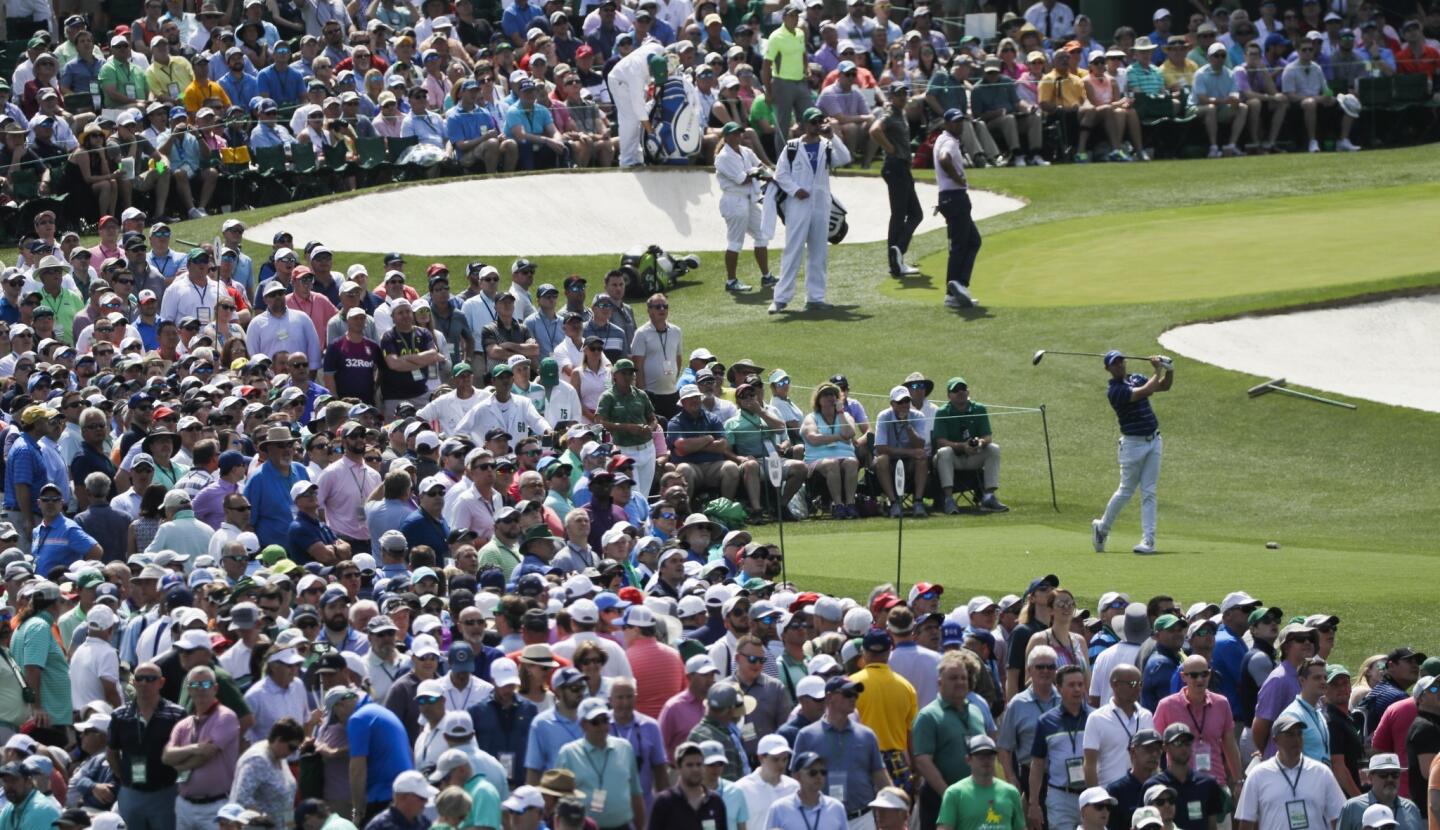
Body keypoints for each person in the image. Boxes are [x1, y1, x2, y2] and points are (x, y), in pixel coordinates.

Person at [769, 107, 851, 315]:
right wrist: (796, 190)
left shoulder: (827, 145)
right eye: (813, 122)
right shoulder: (792, 147)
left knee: (819, 251)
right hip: (798, 204)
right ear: (805, 125)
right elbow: (781, 174)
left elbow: (845, 158)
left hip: (820, 204)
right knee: (793, 249)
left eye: (819, 121)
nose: (817, 125)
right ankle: (780, 298)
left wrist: (833, 135)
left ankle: (815, 297)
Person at [1091, 352, 1173, 556]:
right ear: (1108, 369)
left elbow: (1163, 386)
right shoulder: (1115, 391)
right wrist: (1157, 369)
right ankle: (1102, 528)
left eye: (1121, 362)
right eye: (1114, 364)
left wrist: (1169, 369)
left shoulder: (1136, 377)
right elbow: (1144, 391)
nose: (1119, 366)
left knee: (1149, 491)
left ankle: (1148, 540)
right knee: (1126, 490)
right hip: (1133, 445)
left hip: (1154, 440)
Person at [1234, 715, 1344, 830]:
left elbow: (1338, 817)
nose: (1296, 739)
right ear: (1275, 740)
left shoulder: (1321, 773)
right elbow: (1246, 821)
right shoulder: (1258, 775)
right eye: (1290, 734)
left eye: (1299, 734)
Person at [1028, 665, 1093, 830]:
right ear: (1058, 687)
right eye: (1071, 685)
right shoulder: (1046, 722)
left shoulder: (1096, 718)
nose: (1077, 689)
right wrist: (1033, 803)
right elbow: (1037, 764)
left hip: (1091, 795)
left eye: (1080, 684)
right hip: (1060, 796)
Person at [869, 82, 922, 279]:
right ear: (891, 96)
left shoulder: (901, 113)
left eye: (904, 93)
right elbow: (874, 130)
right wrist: (889, 148)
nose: (903, 97)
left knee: (911, 214)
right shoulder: (890, 113)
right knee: (904, 214)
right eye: (899, 94)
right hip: (895, 166)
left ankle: (896, 255)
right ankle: (896, 254)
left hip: (901, 167)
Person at [713, 121, 773, 294]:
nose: (737, 136)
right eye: (733, 134)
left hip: (749, 200)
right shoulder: (723, 157)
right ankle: (731, 281)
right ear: (726, 137)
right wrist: (759, 172)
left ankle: (766, 276)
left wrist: (768, 175)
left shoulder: (746, 151)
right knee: (735, 242)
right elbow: (743, 179)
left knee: (762, 235)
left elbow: (760, 166)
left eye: (739, 133)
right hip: (734, 202)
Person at [934, 108, 982, 310]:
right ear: (946, 124)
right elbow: (945, 159)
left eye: (961, 121)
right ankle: (953, 289)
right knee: (961, 245)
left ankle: (959, 286)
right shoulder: (949, 142)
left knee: (972, 241)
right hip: (955, 197)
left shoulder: (941, 139)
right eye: (955, 122)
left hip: (949, 198)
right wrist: (957, 178)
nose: (959, 125)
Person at [937, 735, 1025, 830]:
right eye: (980, 756)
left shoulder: (1011, 792)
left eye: (990, 756)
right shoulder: (954, 793)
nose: (986, 760)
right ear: (968, 760)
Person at [608, 41, 667, 167]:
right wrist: (650, 131)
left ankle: (638, 158)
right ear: (650, 68)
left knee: (637, 119)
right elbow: (638, 108)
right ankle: (626, 161)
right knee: (630, 119)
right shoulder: (637, 74)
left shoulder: (659, 49)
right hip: (619, 80)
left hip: (630, 76)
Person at [646, 742, 727, 830]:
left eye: (699, 764)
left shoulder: (715, 801)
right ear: (678, 767)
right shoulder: (664, 802)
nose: (695, 769)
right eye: (689, 765)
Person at [765, 750, 848, 830]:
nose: (819, 776)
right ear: (797, 776)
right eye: (813, 773)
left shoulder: (836, 807)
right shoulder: (779, 809)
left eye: (823, 772)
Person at [1337, 755, 1422, 830]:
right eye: (1383, 774)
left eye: (1395, 774)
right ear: (1370, 777)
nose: (1390, 779)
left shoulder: (1411, 809)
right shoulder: (1352, 808)